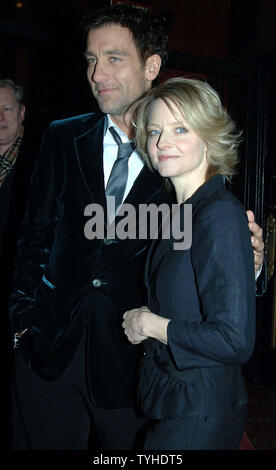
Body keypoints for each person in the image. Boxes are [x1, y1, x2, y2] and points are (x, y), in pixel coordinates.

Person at [10, 4, 264, 450]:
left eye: (113, 58)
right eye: (90, 59)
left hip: (134, 365)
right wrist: (20, 325)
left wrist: (253, 266)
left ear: (151, 66)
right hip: (48, 354)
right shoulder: (60, 135)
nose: (97, 73)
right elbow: (35, 236)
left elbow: (213, 260)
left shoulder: (181, 158)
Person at [122, 77, 256, 450]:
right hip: (178, 401)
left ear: (209, 137)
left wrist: (151, 323)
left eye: (180, 129)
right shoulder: (182, 213)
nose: (162, 142)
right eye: (154, 131)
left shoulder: (218, 215)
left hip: (202, 412)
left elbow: (234, 341)